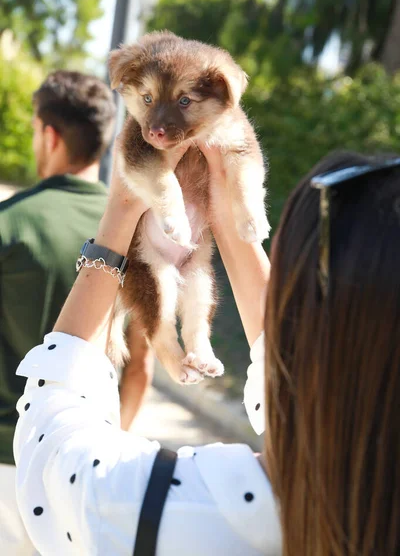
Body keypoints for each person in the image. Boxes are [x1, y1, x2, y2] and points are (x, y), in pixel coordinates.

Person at [13, 143, 400, 555]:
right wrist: (226, 207)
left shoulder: (155, 505)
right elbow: (289, 369)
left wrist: (119, 218)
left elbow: (50, 428)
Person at [0, 70, 120, 556]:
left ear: (49, 135)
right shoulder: (132, 229)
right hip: (93, 466)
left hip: (7, 462)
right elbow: (142, 366)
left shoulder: (11, 222)